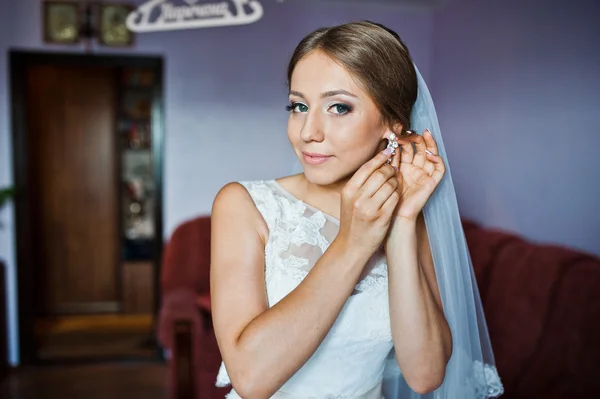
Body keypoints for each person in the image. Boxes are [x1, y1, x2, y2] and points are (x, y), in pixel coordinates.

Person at [210, 21, 504, 399]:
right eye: (299, 106)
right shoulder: (244, 205)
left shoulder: (410, 219)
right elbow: (251, 379)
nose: (308, 131)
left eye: (338, 107)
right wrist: (352, 243)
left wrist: (400, 224)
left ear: (391, 125)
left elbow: (426, 374)